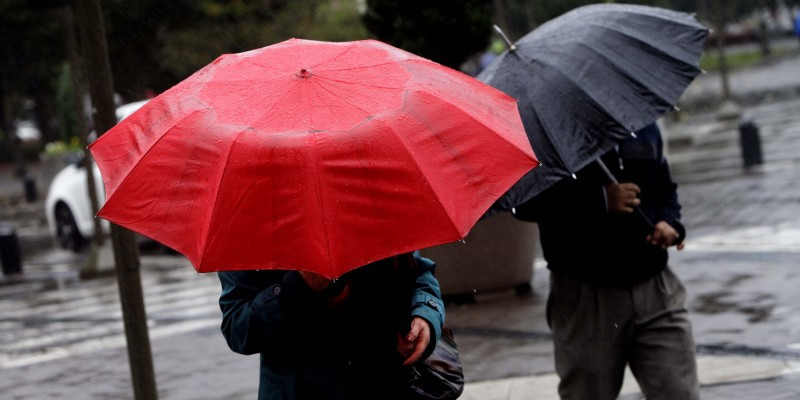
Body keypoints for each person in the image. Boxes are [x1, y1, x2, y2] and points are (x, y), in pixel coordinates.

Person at [513, 123, 699, 400]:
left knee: (679, 393)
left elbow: (663, 186)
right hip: (585, 295)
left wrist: (669, 221)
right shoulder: (543, 134)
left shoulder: (640, 121)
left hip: (657, 289)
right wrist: (599, 200)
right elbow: (524, 203)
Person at [217, 252, 445, 400]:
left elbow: (419, 273)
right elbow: (238, 329)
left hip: (387, 384)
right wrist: (296, 289)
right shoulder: (250, 224)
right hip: (302, 390)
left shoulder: (367, 196)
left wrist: (425, 314)